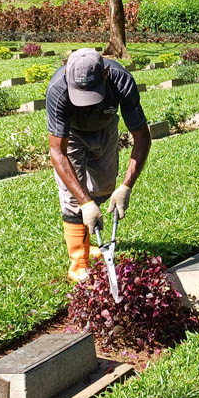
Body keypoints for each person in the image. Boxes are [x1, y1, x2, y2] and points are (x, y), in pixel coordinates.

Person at [46, 47, 152, 282]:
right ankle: (78, 262)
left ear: (105, 74)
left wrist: (126, 186)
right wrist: (84, 203)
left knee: (104, 187)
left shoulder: (121, 81)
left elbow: (143, 137)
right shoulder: (57, 89)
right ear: (67, 73)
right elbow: (57, 151)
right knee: (75, 198)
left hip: (105, 128)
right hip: (70, 135)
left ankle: (88, 240)